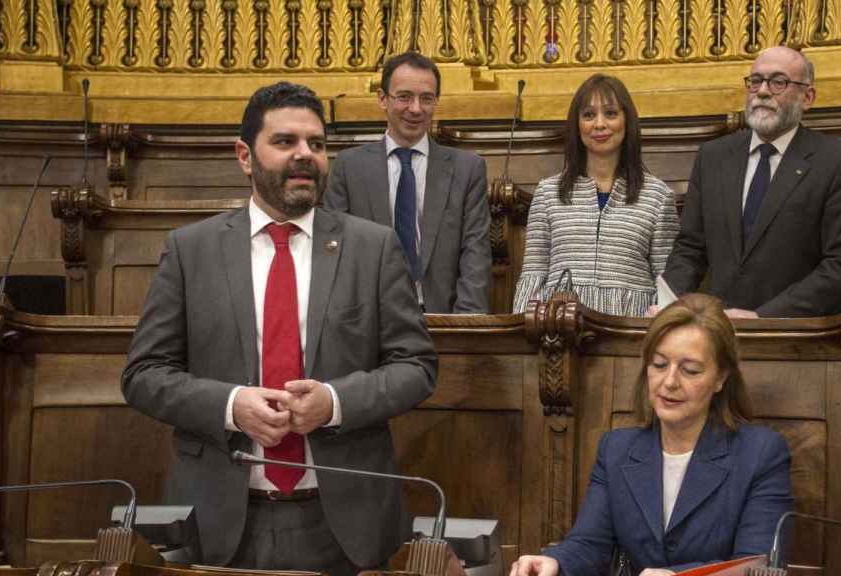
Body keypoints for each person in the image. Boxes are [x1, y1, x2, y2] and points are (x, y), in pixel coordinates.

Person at [121, 82, 437, 576]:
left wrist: (334, 402)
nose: (305, 155)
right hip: (218, 520)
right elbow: (143, 374)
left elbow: (416, 367)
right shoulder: (191, 251)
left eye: (317, 143)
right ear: (245, 156)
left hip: (345, 524)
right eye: (286, 142)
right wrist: (231, 407)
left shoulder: (373, 248)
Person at [510, 293, 793, 576]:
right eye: (659, 365)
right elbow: (589, 544)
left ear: (720, 378)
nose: (669, 382)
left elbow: (759, 566)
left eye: (690, 370)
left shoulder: (761, 454)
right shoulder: (616, 448)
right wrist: (556, 561)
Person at [661, 46, 841, 318]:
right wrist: (669, 305)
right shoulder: (713, 157)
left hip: (796, 340)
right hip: (715, 336)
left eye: (778, 82)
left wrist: (766, 316)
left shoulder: (837, 162)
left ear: (807, 97)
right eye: (756, 81)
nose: (762, 91)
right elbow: (690, 248)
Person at [325, 51, 491, 314]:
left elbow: (475, 253)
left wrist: (465, 327)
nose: (415, 109)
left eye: (426, 98)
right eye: (404, 97)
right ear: (382, 99)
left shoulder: (467, 169)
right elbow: (336, 254)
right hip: (369, 323)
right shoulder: (348, 167)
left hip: (443, 319)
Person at [512, 74, 679, 317]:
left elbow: (664, 281)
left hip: (630, 331)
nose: (599, 124)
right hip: (559, 332)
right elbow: (533, 275)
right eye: (589, 115)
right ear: (577, 125)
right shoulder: (548, 193)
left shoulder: (657, 196)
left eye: (610, 113)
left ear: (627, 121)